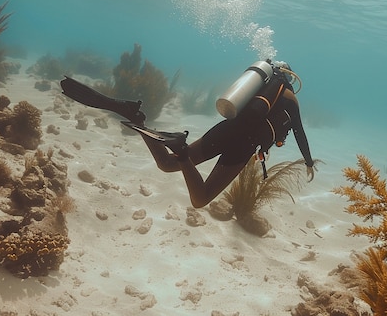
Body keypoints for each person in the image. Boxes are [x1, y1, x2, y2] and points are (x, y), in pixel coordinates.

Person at [60, 60, 315, 208]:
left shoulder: (260, 90)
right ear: (290, 80)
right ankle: (180, 150)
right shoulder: (291, 100)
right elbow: (300, 133)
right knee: (200, 198)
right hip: (244, 144)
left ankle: (135, 116)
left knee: (167, 165)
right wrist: (308, 161)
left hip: (227, 128)